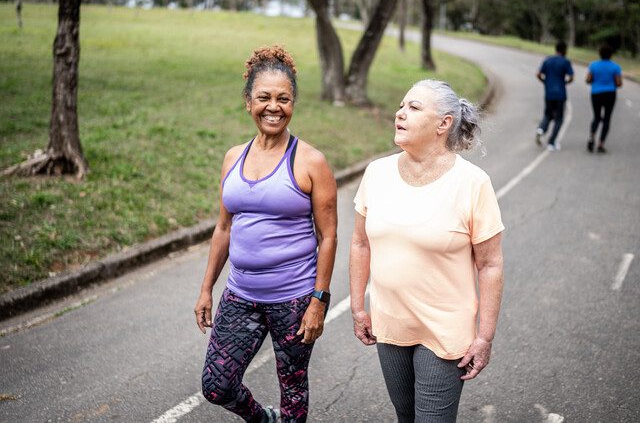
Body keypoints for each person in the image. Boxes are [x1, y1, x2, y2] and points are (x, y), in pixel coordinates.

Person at [194, 45, 337, 423]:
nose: (273, 107)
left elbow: (329, 236)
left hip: (294, 299)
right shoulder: (233, 157)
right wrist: (207, 287)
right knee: (216, 385)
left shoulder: (310, 161)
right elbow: (223, 227)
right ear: (248, 102)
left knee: (293, 390)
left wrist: (319, 300)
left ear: (293, 104)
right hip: (241, 294)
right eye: (264, 98)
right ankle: (262, 419)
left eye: (283, 99)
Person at [349, 79, 505, 422]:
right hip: (390, 324)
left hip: (445, 329)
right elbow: (360, 242)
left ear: (443, 124)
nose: (400, 114)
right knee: (406, 415)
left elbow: (490, 264)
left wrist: (485, 336)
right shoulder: (378, 173)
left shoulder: (472, 183)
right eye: (402, 106)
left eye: (414, 108)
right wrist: (359, 307)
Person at [535, 41, 574, 151]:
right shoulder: (565, 62)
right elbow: (571, 77)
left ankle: (541, 129)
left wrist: (544, 81)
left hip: (548, 93)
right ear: (564, 50)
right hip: (560, 94)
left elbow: (538, 74)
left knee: (548, 114)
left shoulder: (547, 60)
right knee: (559, 118)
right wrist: (566, 82)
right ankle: (551, 142)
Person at [586, 44, 623, 153]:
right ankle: (601, 144)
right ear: (611, 55)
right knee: (607, 118)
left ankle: (592, 136)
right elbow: (619, 83)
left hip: (596, 93)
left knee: (596, 117)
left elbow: (588, 80)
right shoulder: (615, 67)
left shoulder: (593, 65)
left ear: (599, 54)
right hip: (610, 94)